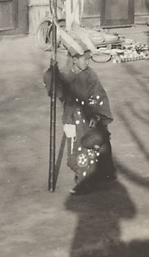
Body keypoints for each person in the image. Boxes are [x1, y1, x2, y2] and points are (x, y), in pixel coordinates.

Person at [44, 41, 116, 196]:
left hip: (89, 117)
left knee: (89, 148)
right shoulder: (65, 75)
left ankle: (85, 181)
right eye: (85, 59)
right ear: (75, 59)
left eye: (89, 59)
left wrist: (96, 114)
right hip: (72, 118)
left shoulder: (90, 75)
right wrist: (52, 70)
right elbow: (55, 89)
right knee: (76, 149)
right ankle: (89, 175)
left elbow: (98, 95)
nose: (88, 62)